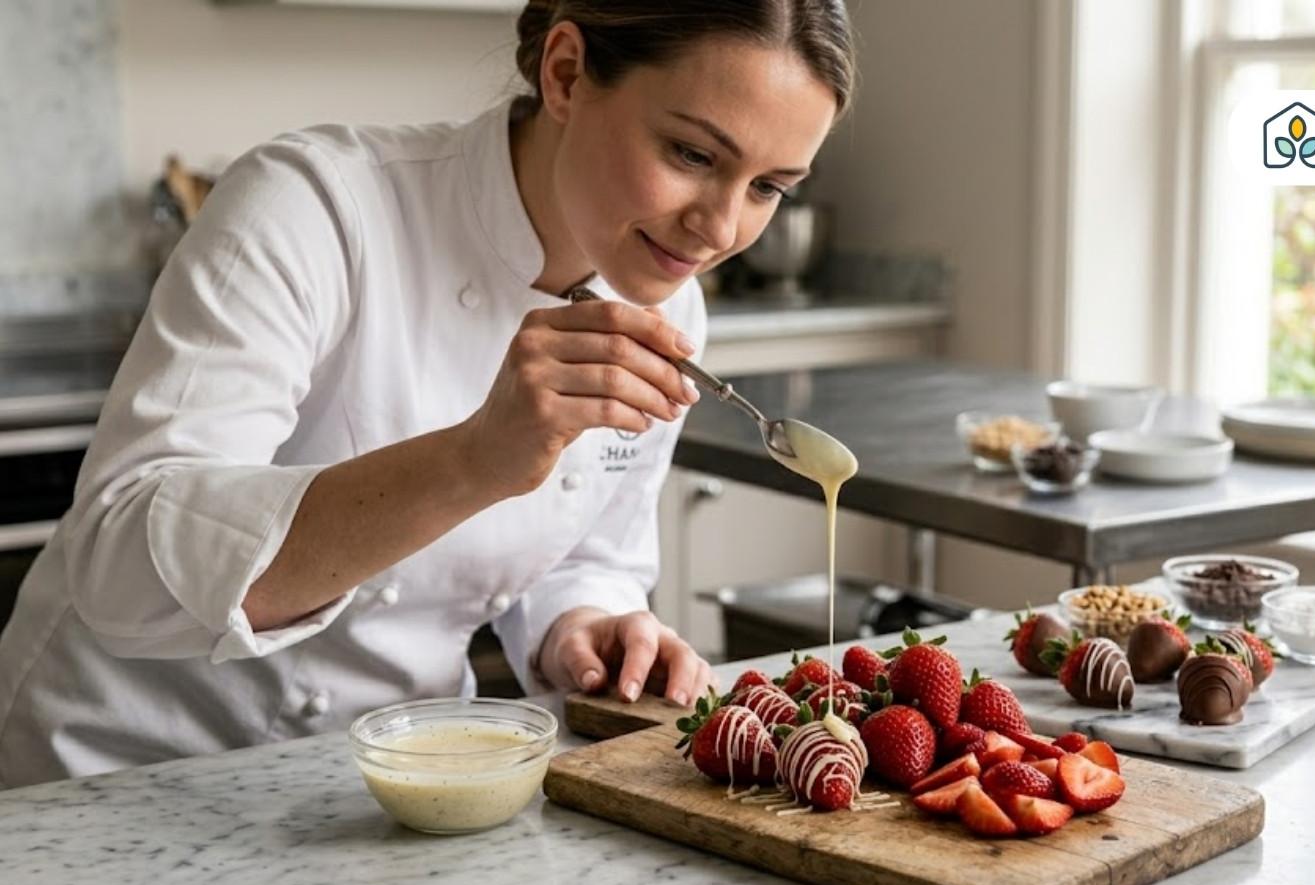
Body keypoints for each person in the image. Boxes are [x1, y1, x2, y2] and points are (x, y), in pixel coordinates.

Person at [0, 0, 855, 787]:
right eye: (693, 154)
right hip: (120, 775)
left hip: (397, 778)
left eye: (770, 188)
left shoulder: (672, 303)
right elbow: (120, 567)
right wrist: (473, 460)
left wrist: (585, 627)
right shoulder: (318, 207)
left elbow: (589, 556)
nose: (720, 228)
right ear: (564, 73)